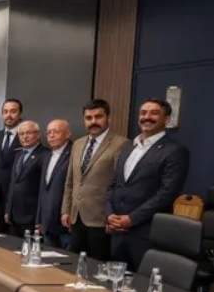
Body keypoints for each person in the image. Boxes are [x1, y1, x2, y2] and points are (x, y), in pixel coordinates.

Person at [106, 98, 189, 270]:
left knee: (143, 283)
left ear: (166, 119)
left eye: (154, 113)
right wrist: (110, 214)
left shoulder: (175, 151)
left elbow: (167, 193)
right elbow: (113, 185)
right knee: (116, 282)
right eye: (143, 113)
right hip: (118, 232)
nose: (147, 117)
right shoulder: (128, 148)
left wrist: (132, 219)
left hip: (146, 234)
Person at [61, 99, 128, 261]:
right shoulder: (77, 144)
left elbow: (120, 185)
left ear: (108, 118)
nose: (93, 122)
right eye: (88, 118)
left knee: (98, 267)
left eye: (98, 117)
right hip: (76, 218)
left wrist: (113, 215)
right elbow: (70, 181)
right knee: (74, 264)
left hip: (102, 219)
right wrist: (66, 210)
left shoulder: (121, 144)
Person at [3, 120, 48, 237]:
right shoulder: (18, 155)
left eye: (28, 133)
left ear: (38, 135)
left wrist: (40, 217)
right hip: (14, 214)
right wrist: (8, 210)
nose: (24, 137)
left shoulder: (45, 155)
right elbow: (13, 184)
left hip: (32, 215)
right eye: (21, 134)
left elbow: (44, 189)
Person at [0, 99, 23, 233]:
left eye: (13, 111)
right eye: (5, 112)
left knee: (13, 236)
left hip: (15, 195)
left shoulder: (25, 136)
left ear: (20, 114)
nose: (9, 115)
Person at [36, 119, 72, 249]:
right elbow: (43, 189)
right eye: (49, 133)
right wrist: (39, 219)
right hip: (47, 222)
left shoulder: (74, 153)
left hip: (65, 221)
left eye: (56, 132)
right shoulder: (46, 156)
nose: (51, 136)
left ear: (67, 134)